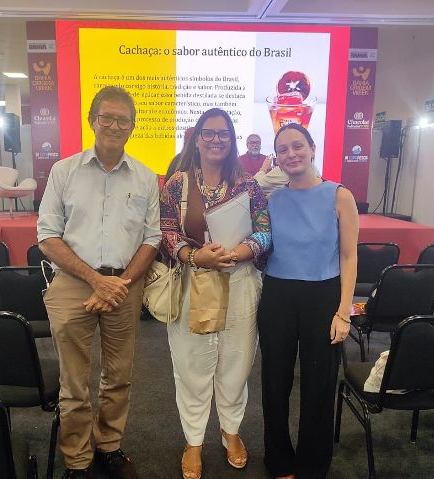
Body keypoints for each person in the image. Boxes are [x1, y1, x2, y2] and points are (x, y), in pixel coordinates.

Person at [38, 86, 161, 479]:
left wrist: (118, 283)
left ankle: (109, 445)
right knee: (73, 381)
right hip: (74, 282)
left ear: (132, 127)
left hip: (125, 285)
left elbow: (152, 239)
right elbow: (47, 236)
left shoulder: (145, 177)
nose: (114, 125)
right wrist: (95, 280)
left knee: (119, 375)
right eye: (107, 117)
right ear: (92, 120)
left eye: (123, 120)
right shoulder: (64, 171)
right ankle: (77, 459)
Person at [160, 108, 271, 479]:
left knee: (237, 362)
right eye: (208, 133)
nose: (216, 140)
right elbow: (165, 230)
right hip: (193, 281)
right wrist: (195, 256)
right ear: (197, 139)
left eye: (223, 134)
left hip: (240, 281)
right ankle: (193, 441)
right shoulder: (177, 183)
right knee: (191, 364)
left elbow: (265, 230)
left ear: (232, 140)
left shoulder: (248, 184)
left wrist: (237, 253)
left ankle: (231, 431)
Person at [257, 123, 358, 479]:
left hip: (323, 297)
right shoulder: (273, 200)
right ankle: (278, 459)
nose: (291, 154)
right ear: (276, 158)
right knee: (274, 382)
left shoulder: (339, 195)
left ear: (313, 148)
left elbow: (349, 257)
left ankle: (313, 465)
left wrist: (344, 311)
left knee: (319, 384)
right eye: (282, 149)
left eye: (297, 145)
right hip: (277, 296)